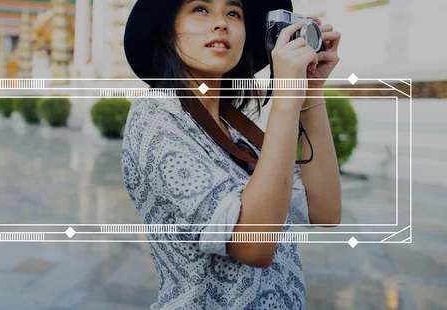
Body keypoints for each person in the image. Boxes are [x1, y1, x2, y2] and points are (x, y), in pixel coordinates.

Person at [121, 0, 343, 309]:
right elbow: (253, 247)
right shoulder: (156, 114)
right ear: (168, 33)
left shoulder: (235, 132)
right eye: (200, 8)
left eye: (233, 13)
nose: (221, 23)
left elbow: (325, 212)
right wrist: (285, 97)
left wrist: (311, 87)